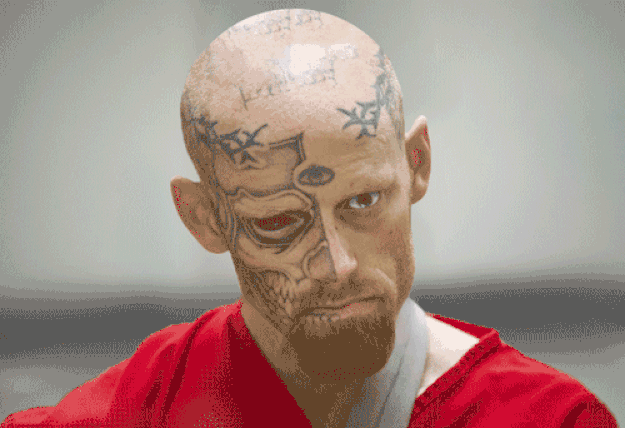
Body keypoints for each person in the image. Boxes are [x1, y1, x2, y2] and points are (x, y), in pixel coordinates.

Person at [2, 8, 618, 428]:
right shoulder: (147, 405)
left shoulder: (544, 417)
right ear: (204, 218)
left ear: (417, 163)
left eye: (363, 202)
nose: (338, 263)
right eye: (278, 223)